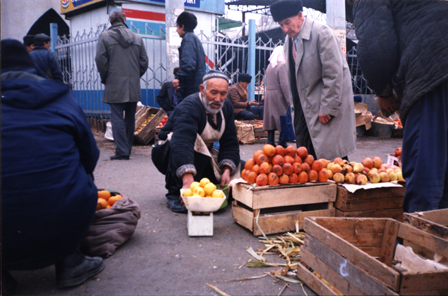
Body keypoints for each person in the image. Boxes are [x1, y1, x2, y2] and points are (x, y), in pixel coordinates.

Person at [1, 39, 104, 290]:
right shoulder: (60, 99)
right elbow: (89, 157)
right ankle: (70, 261)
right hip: (61, 218)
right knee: (83, 178)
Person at [352, 0, 448, 212]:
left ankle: (416, 241)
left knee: (425, 169)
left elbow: (375, 45)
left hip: (432, 73)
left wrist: (383, 91)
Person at [270, 0, 356, 160]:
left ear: (300, 15)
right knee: (309, 159)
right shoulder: (289, 40)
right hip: (304, 109)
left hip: (324, 110)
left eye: (287, 22)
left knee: (333, 158)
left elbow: (334, 73)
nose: (285, 29)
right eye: (281, 25)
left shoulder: (322, 33)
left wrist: (328, 107)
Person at [155, 70, 240, 213]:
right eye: (213, 92)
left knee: (240, 169)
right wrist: (188, 181)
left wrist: (227, 169)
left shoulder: (226, 107)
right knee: (185, 141)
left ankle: (204, 181)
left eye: (223, 93)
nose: (218, 99)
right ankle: (175, 193)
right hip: (170, 152)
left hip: (203, 152)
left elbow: (230, 140)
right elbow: (182, 141)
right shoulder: (189, 106)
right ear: (202, 89)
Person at [95, 10, 149, 160]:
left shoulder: (105, 36)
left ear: (111, 22)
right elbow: (144, 62)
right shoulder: (137, 37)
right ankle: (127, 149)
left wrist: (107, 77)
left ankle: (122, 151)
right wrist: (135, 76)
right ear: (124, 20)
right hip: (132, 84)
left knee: (117, 117)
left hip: (114, 84)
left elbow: (100, 59)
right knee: (130, 117)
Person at [173, 11, 206, 99]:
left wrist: (178, 77)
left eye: (177, 26)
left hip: (191, 88)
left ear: (182, 26)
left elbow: (188, 64)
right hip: (197, 86)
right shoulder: (195, 38)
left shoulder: (188, 39)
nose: (176, 29)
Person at [263, 46, 290, 147]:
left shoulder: (270, 65)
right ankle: (281, 141)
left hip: (269, 94)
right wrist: (288, 99)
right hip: (278, 95)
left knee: (270, 118)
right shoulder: (282, 65)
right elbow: (284, 84)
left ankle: (270, 141)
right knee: (282, 117)